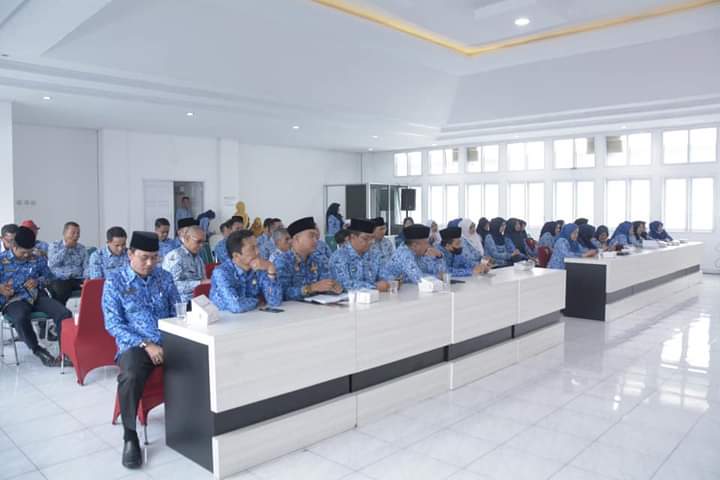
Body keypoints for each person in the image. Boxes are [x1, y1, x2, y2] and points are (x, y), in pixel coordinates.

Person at [103, 231, 181, 469]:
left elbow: (177, 311)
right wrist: (147, 344)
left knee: (204, 360)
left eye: (154, 258)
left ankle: (195, 422)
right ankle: (130, 437)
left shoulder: (164, 277)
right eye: (144, 257)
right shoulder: (115, 282)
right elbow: (113, 324)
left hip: (169, 340)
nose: (149, 263)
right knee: (130, 375)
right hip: (135, 345)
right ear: (130, 254)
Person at [0, 227, 71, 367]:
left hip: (37, 297)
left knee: (64, 313)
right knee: (20, 317)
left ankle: (66, 353)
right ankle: (38, 350)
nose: (27, 255)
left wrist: (38, 281)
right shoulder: (2, 260)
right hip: (14, 300)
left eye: (30, 251)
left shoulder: (37, 258)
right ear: (14, 246)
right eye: (23, 252)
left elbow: (50, 277)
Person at [210, 230, 282, 313]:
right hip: (226, 319)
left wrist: (270, 268)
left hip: (253, 316)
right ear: (236, 256)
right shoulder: (221, 273)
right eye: (252, 248)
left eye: (257, 246)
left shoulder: (258, 267)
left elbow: (275, 301)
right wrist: (257, 301)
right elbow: (236, 306)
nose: (258, 251)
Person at [273, 217, 342, 300]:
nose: (316, 240)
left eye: (316, 236)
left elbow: (325, 283)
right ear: (296, 238)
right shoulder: (282, 261)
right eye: (311, 236)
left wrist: (332, 287)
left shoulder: (318, 259)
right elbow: (282, 293)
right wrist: (311, 288)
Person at [330, 218, 389, 291]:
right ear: (352, 237)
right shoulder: (339, 257)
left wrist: (389, 282)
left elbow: (386, 275)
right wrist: (374, 287)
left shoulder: (375, 254)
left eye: (372, 238)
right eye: (366, 238)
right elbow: (343, 284)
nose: (371, 242)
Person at [162, 225, 209, 302]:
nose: (201, 245)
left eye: (203, 242)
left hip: (199, 300)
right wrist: (200, 283)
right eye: (198, 242)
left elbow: (204, 280)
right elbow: (172, 286)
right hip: (181, 302)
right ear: (187, 239)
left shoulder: (198, 259)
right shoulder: (176, 256)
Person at [48, 222, 88, 305]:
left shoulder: (82, 248)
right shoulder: (54, 246)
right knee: (60, 289)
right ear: (64, 233)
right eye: (73, 233)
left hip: (77, 279)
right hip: (60, 279)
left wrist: (86, 279)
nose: (76, 236)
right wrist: (66, 247)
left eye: (78, 233)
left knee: (92, 288)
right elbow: (52, 263)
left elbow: (86, 266)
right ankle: (61, 312)